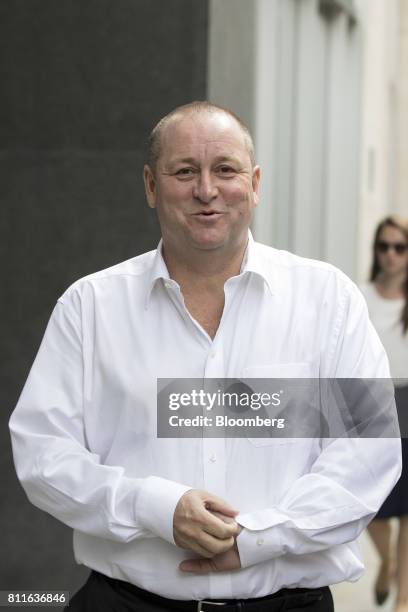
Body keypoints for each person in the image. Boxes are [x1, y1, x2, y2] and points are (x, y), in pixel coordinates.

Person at [9, 101, 401, 612]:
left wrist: (259, 536)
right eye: (184, 171)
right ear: (151, 186)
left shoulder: (328, 300)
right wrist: (155, 509)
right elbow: (44, 455)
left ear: (254, 183)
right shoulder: (89, 307)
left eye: (225, 169)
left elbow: (369, 454)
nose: (206, 190)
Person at [360, 216, 408, 612]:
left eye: (399, 247)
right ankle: (388, 560)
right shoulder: (360, 296)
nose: (390, 255)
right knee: (373, 502)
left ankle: (404, 599)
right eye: (384, 246)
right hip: (375, 405)